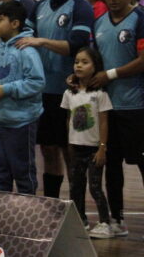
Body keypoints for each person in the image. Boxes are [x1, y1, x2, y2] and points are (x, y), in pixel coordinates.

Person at [17, 0, 94, 198]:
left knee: (70, 151)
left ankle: (77, 209)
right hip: (43, 91)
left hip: (72, 93)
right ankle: (52, 205)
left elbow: (76, 45)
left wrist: (41, 41)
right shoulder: (39, 5)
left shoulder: (81, 7)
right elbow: (24, 39)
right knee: (48, 149)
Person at [90, 0, 144, 237]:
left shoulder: (140, 20)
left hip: (136, 106)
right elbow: (94, 61)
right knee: (111, 165)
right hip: (107, 107)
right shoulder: (98, 22)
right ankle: (117, 220)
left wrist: (109, 75)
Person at [0, 1, 44, 194]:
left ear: (15, 24)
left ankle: (28, 214)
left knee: (23, 171)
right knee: (0, 171)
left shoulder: (27, 51)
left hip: (22, 122)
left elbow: (37, 82)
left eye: (0, 19)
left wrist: (7, 89)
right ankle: (2, 214)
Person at [61, 47, 113, 238]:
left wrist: (102, 148)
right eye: (76, 62)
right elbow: (69, 119)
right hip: (75, 147)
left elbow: (104, 121)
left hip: (93, 149)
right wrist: (69, 143)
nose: (79, 65)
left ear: (95, 66)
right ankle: (79, 220)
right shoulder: (69, 93)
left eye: (85, 62)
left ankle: (105, 223)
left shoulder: (100, 94)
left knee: (95, 187)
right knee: (76, 185)